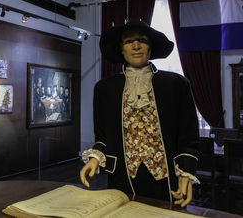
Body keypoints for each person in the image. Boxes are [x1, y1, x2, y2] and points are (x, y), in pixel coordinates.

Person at [79, 21, 200, 207]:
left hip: (165, 178)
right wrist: (96, 157)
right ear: (122, 49)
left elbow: (188, 136)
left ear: (150, 48)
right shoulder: (104, 89)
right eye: (129, 41)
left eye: (142, 40)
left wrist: (185, 172)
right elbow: (102, 136)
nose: (136, 46)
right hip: (122, 176)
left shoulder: (176, 84)